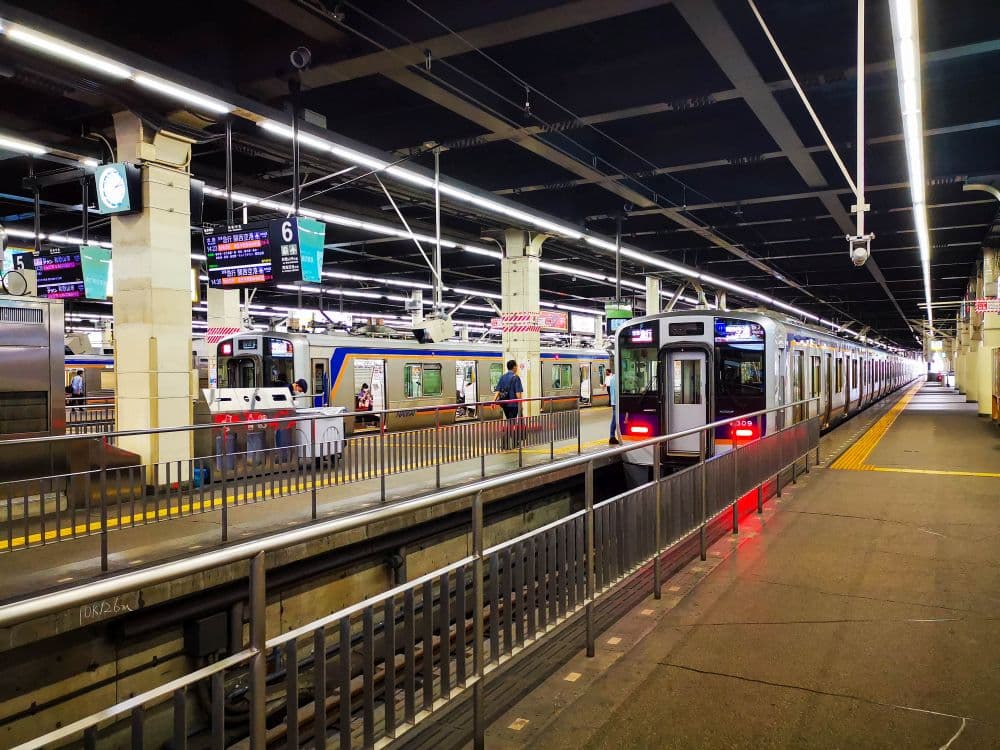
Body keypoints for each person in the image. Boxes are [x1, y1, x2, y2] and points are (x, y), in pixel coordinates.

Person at [493, 359, 524, 449]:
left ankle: (513, 442)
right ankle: (506, 442)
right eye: (516, 366)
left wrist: (493, 401)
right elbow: (518, 393)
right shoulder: (516, 377)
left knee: (510, 422)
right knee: (511, 423)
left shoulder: (503, 377)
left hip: (505, 404)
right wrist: (520, 405)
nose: (517, 367)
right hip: (513, 405)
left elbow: (498, 390)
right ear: (514, 367)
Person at [607, 363, 619, 445]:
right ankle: (612, 437)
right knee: (615, 419)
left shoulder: (612, 378)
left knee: (614, 419)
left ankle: (612, 436)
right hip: (617, 402)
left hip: (614, 402)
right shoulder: (616, 379)